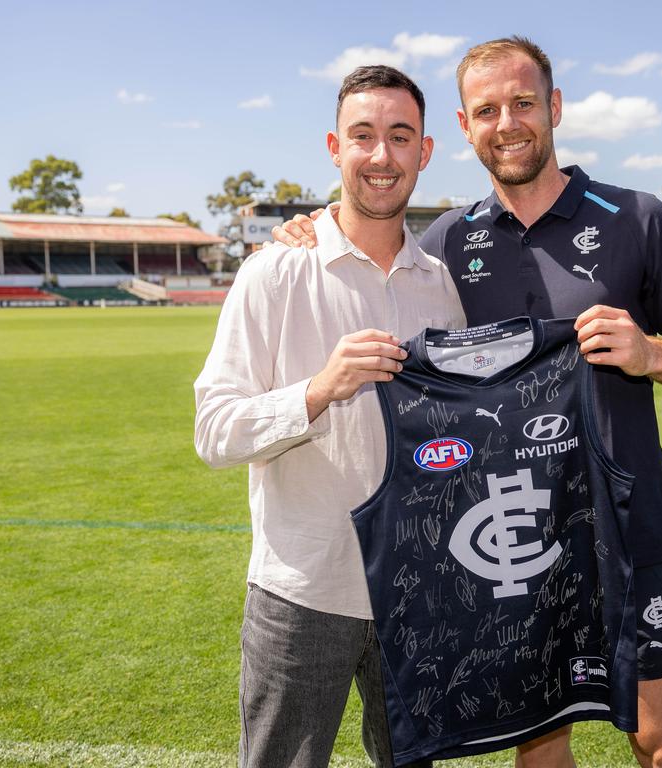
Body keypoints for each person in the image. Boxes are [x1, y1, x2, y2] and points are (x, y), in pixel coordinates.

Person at [272, 36, 662, 768]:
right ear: (463, 128)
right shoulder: (451, 242)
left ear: (553, 107)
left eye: (523, 103)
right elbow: (377, 255)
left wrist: (650, 354)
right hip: (519, 537)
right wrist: (308, 229)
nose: (507, 123)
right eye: (487, 110)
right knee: (541, 749)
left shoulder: (636, 218)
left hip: (628, 522)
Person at [194, 65, 465, 768]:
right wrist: (317, 390)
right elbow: (214, 431)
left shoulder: (441, 288)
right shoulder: (276, 272)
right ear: (334, 146)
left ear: (424, 152)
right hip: (302, 592)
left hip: (413, 591)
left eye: (399, 137)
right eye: (363, 136)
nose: (381, 156)